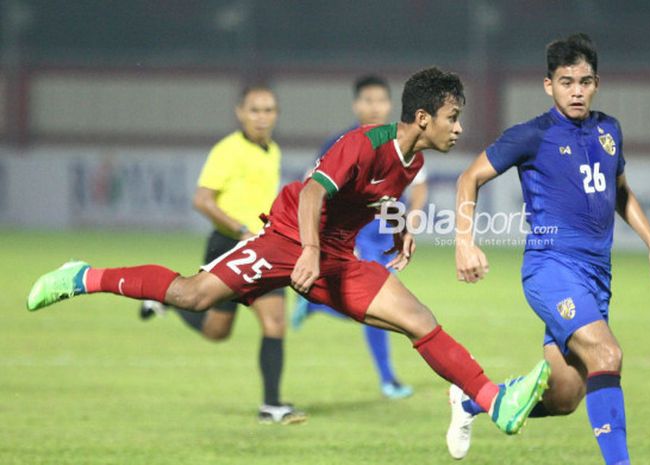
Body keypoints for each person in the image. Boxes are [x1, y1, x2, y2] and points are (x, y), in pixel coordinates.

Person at [27, 67, 551, 438]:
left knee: (420, 319)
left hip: (339, 258)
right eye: (453, 117)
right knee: (192, 295)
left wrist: (398, 232)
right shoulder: (362, 143)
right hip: (285, 239)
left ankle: (492, 401)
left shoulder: (411, 162)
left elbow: (381, 199)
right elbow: (314, 192)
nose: (459, 128)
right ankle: (84, 276)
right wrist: (304, 250)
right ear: (422, 116)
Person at [446, 34, 650, 464]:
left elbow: (619, 192)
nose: (576, 90)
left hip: (595, 276)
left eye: (585, 81)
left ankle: (472, 400)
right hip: (551, 268)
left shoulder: (609, 130)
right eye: (567, 81)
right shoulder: (532, 135)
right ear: (548, 85)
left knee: (567, 394)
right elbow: (468, 178)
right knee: (608, 353)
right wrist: (464, 241)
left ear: (596, 83)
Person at [143, 85, 306, 424]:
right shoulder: (227, 150)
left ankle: (271, 405)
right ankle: (167, 299)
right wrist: (240, 228)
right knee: (217, 331)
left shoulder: (272, 150)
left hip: (263, 249)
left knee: (275, 321)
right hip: (229, 245)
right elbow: (202, 200)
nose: (262, 117)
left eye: (269, 110)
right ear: (240, 112)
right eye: (255, 110)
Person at [292, 75, 428, 399]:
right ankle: (388, 379)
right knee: (377, 301)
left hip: (387, 235)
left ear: (389, 104)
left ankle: (317, 308)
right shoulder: (341, 141)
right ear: (356, 105)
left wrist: (413, 218)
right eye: (367, 101)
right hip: (356, 236)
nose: (374, 107)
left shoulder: (402, 138)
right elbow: (309, 186)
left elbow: (419, 184)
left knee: (374, 305)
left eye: (380, 100)